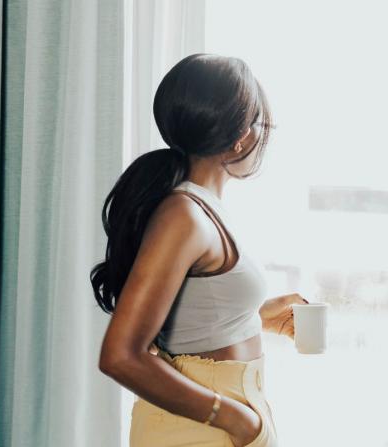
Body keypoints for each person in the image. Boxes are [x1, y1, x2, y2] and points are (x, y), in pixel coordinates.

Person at [90, 53, 308, 447]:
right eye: (263, 124)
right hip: (201, 427)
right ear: (242, 135)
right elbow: (120, 355)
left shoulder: (204, 210)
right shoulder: (184, 215)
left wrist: (254, 319)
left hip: (225, 415)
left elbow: (193, 320)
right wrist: (235, 418)